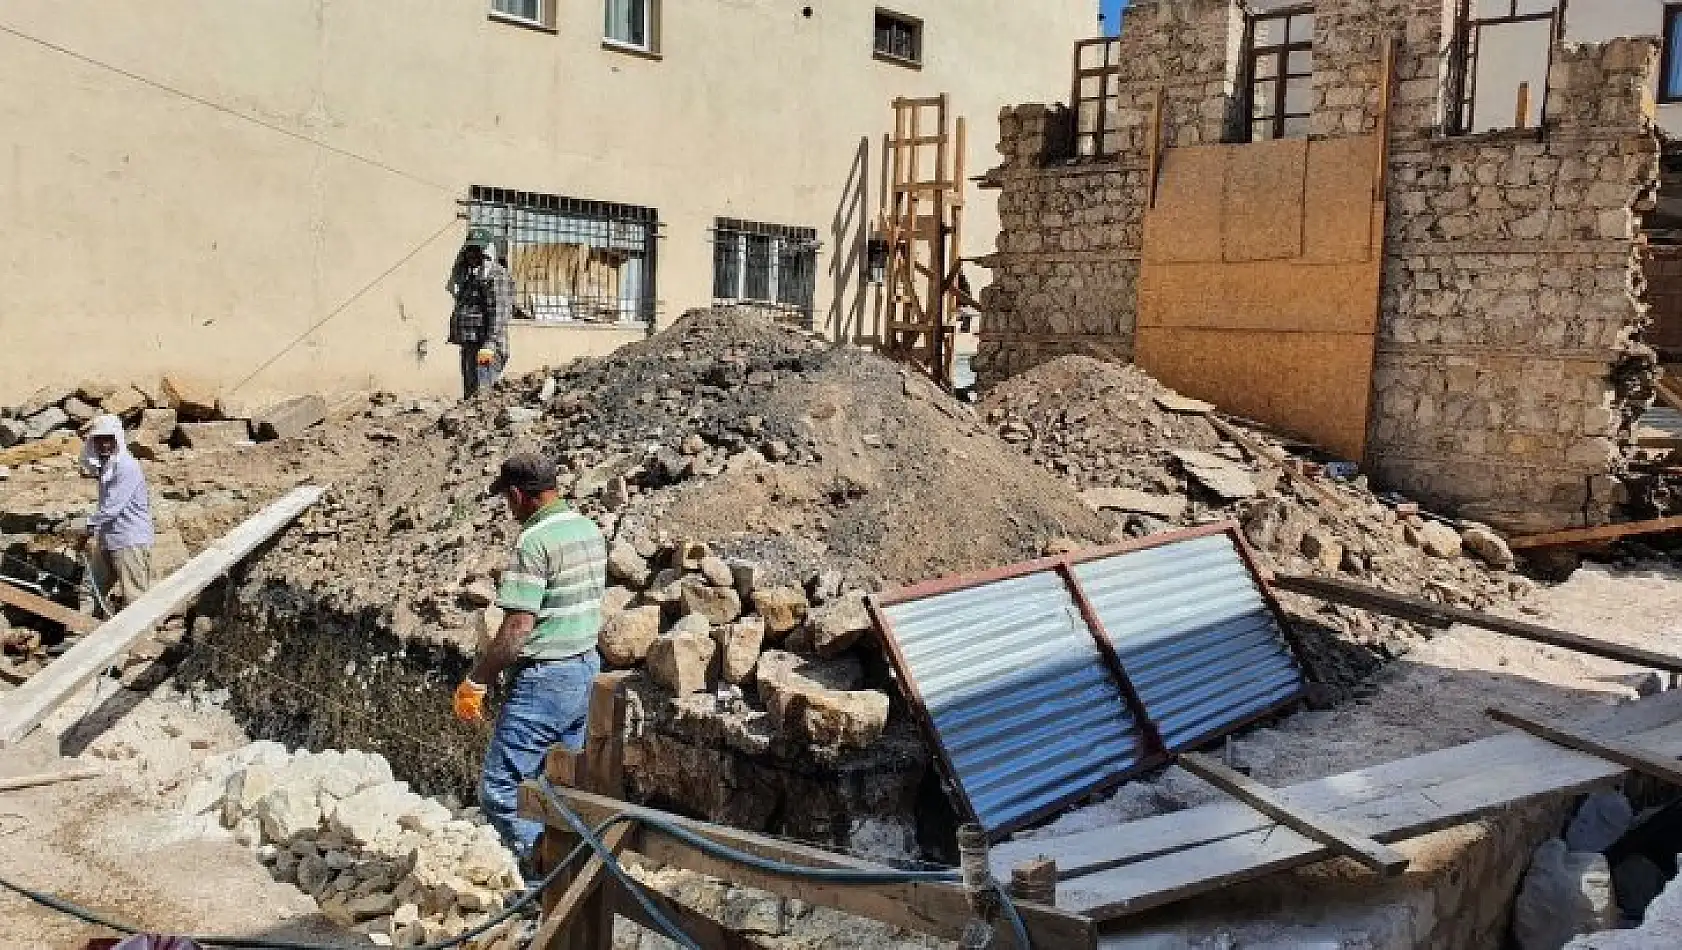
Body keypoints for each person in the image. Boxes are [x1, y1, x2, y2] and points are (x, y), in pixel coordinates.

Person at [455, 454, 606, 862]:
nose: (509, 508)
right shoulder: (587, 528)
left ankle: (545, 876)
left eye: (508, 499)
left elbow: (519, 627)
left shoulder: (534, 541)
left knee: (501, 789)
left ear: (519, 495)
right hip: (586, 669)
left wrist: (478, 680)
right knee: (561, 788)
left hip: (546, 681)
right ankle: (575, 874)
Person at [78, 414, 154, 612]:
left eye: (108, 439)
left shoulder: (127, 466)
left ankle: (143, 642)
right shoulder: (106, 467)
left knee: (135, 598)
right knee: (89, 590)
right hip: (108, 540)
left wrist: (87, 530)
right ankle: (81, 636)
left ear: (117, 439)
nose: (104, 445)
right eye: (100, 439)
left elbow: (111, 508)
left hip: (129, 541)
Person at [448, 233, 515, 399]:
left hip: (486, 349)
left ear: (487, 252)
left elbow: (500, 313)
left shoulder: (496, 276)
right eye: (469, 250)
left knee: (482, 395)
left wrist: (489, 345)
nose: (471, 254)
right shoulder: (474, 276)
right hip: (471, 345)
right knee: (471, 396)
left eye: (476, 250)